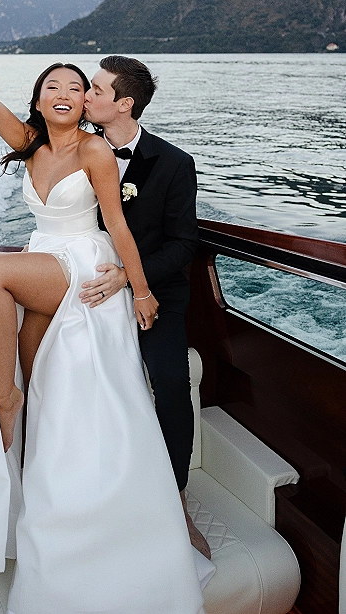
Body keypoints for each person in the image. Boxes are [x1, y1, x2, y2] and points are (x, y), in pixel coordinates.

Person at [0, 26, 214, 614]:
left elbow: (119, 227)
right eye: (54, 84)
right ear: (39, 98)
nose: (68, 92)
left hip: (83, 263)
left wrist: (143, 290)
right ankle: (43, 494)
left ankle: (3, 399)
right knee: (43, 385)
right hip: (43, 259)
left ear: (89, 105)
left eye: (79, 88)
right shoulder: (27, 142)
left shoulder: (96, 150)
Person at [79, 55, 210, 558]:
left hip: (156, 293)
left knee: (173, 382)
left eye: (95, 89)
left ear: (123, 103)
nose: (86, 96)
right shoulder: (75, 151)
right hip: (89, 289)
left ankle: (176, 497)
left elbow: (183, 244)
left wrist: (133, 280)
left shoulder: (174, 163)